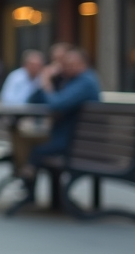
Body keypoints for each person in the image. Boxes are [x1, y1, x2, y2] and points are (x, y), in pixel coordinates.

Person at [22, 47, 101, 178]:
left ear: (83, 64)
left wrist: (47, 83)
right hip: (72, 138)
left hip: (79, 143)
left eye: (71, 64)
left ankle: (27, 178)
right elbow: (33, 101)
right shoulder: (71, 81)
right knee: (29, 140)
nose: (66, 68)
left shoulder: (85, 81)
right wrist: (51, 79)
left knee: (34, 148)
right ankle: (27, 178)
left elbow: (56, 105)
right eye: (65, 64)